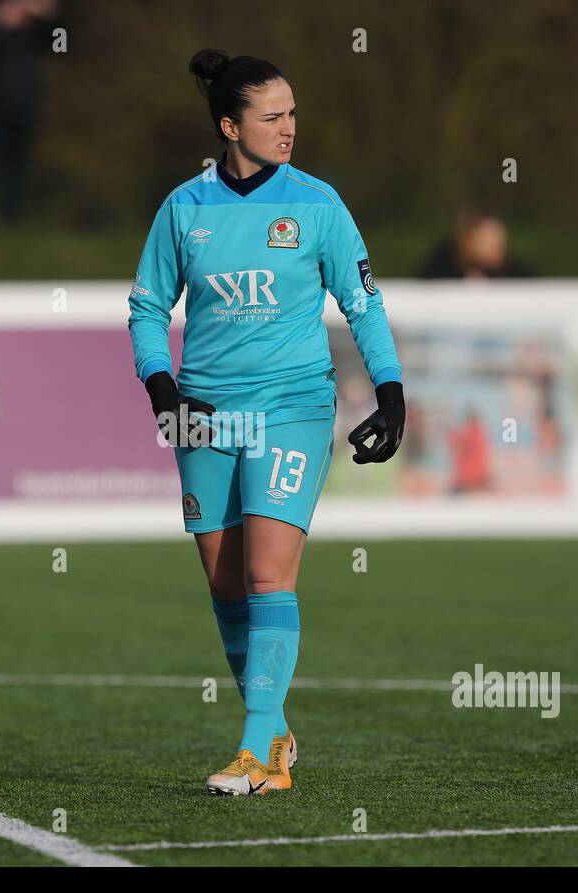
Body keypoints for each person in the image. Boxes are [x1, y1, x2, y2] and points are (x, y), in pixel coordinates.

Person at [127, 49, 404, 795]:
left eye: (293, 114)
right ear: (229, 124)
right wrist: (161, 391)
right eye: (272, 116)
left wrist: (391, 390)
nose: (289, 128)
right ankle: (275, 731)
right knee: (224, 585)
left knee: (264, 572)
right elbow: (148, 307)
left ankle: (257, 752)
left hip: (292, 406)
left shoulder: (318, 203)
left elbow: (364, 301)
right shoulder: (185, 209)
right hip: (201, 412)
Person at [0, 0, 61, 224]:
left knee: (17, 165)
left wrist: (49, 17)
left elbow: (62, 42)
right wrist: (0, 21)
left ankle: (11, 217)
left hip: (24, 108)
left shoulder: (35, 32)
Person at [420, 209, 533, 279]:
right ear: (467, 241)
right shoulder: (440, 266)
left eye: (499, 243)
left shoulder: (516, 272)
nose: (497, 249)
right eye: (488, 242)